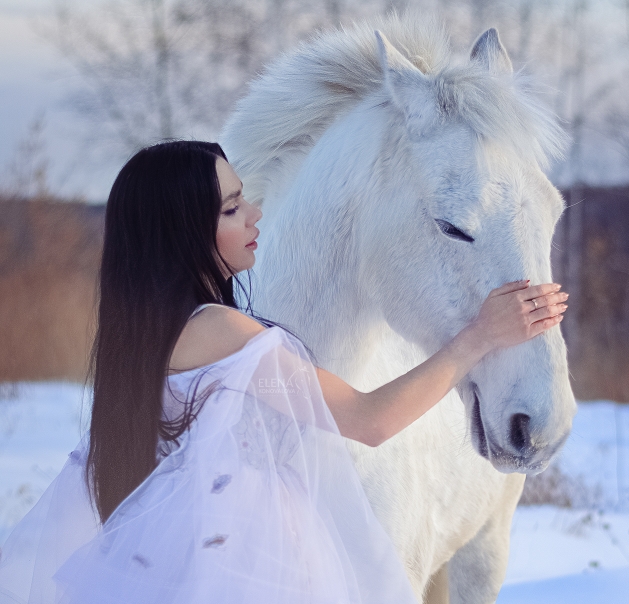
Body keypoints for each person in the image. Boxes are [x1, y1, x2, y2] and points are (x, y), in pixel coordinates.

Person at [0, 140, 568, 604]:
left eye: (244, 198)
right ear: (182, 231)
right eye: (230, 209)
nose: (254, 215)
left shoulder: (145, 338)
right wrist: (481, 336)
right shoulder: (222, 332)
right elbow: (368, 421)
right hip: (250, 568)